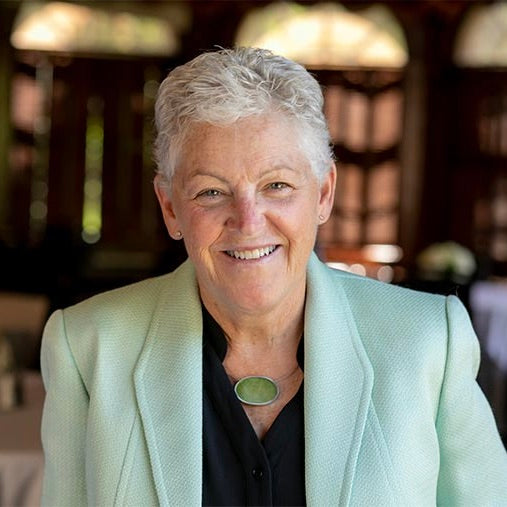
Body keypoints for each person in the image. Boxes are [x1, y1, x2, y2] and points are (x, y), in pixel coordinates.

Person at [40, 47, 507, 506]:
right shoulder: (87, 348)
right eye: (210, 191)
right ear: (170, 207)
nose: (248, 220)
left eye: (277, 185)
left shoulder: (426, 342)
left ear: (323, 194)